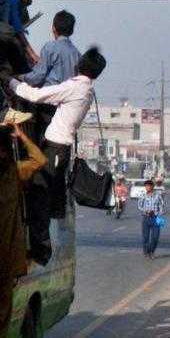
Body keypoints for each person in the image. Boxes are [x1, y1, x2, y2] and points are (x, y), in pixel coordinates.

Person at [9, 47, 107, 254]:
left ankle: (41, 248)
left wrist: (10, 81)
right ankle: (40, 242)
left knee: (40, 193)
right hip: (59, 147)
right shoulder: (85, 89)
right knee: (45, 194)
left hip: (56, 147)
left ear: (80, 65)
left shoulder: (76, 87)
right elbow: (53, 98)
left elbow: (35, 96)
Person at [0, 123, 47, 338]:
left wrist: (21, 136)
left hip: (8, 248)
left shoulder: (16, 171)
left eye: (2, 152)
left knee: (3, 303)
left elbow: (40, 160)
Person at [23, 10, 80, 88]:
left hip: (51, 95)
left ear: (53, 28)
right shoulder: (77, 53)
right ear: (72, 31)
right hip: (69, 95)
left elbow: (38, 76)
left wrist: (23, 77)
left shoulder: (49, 47)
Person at [137, 179, 165, 258]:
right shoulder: (143, 195)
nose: (148, 187)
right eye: (146, 186)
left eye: (149, 185)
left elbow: (161, 205)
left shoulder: (158, 195)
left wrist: (159, 214)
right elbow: (139, 205)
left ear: (152, 186)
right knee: (145, 237)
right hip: (146, 218)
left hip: (155, 218)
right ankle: (146, 252)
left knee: (155, 237)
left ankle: (152, 251)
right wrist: (145, 211)